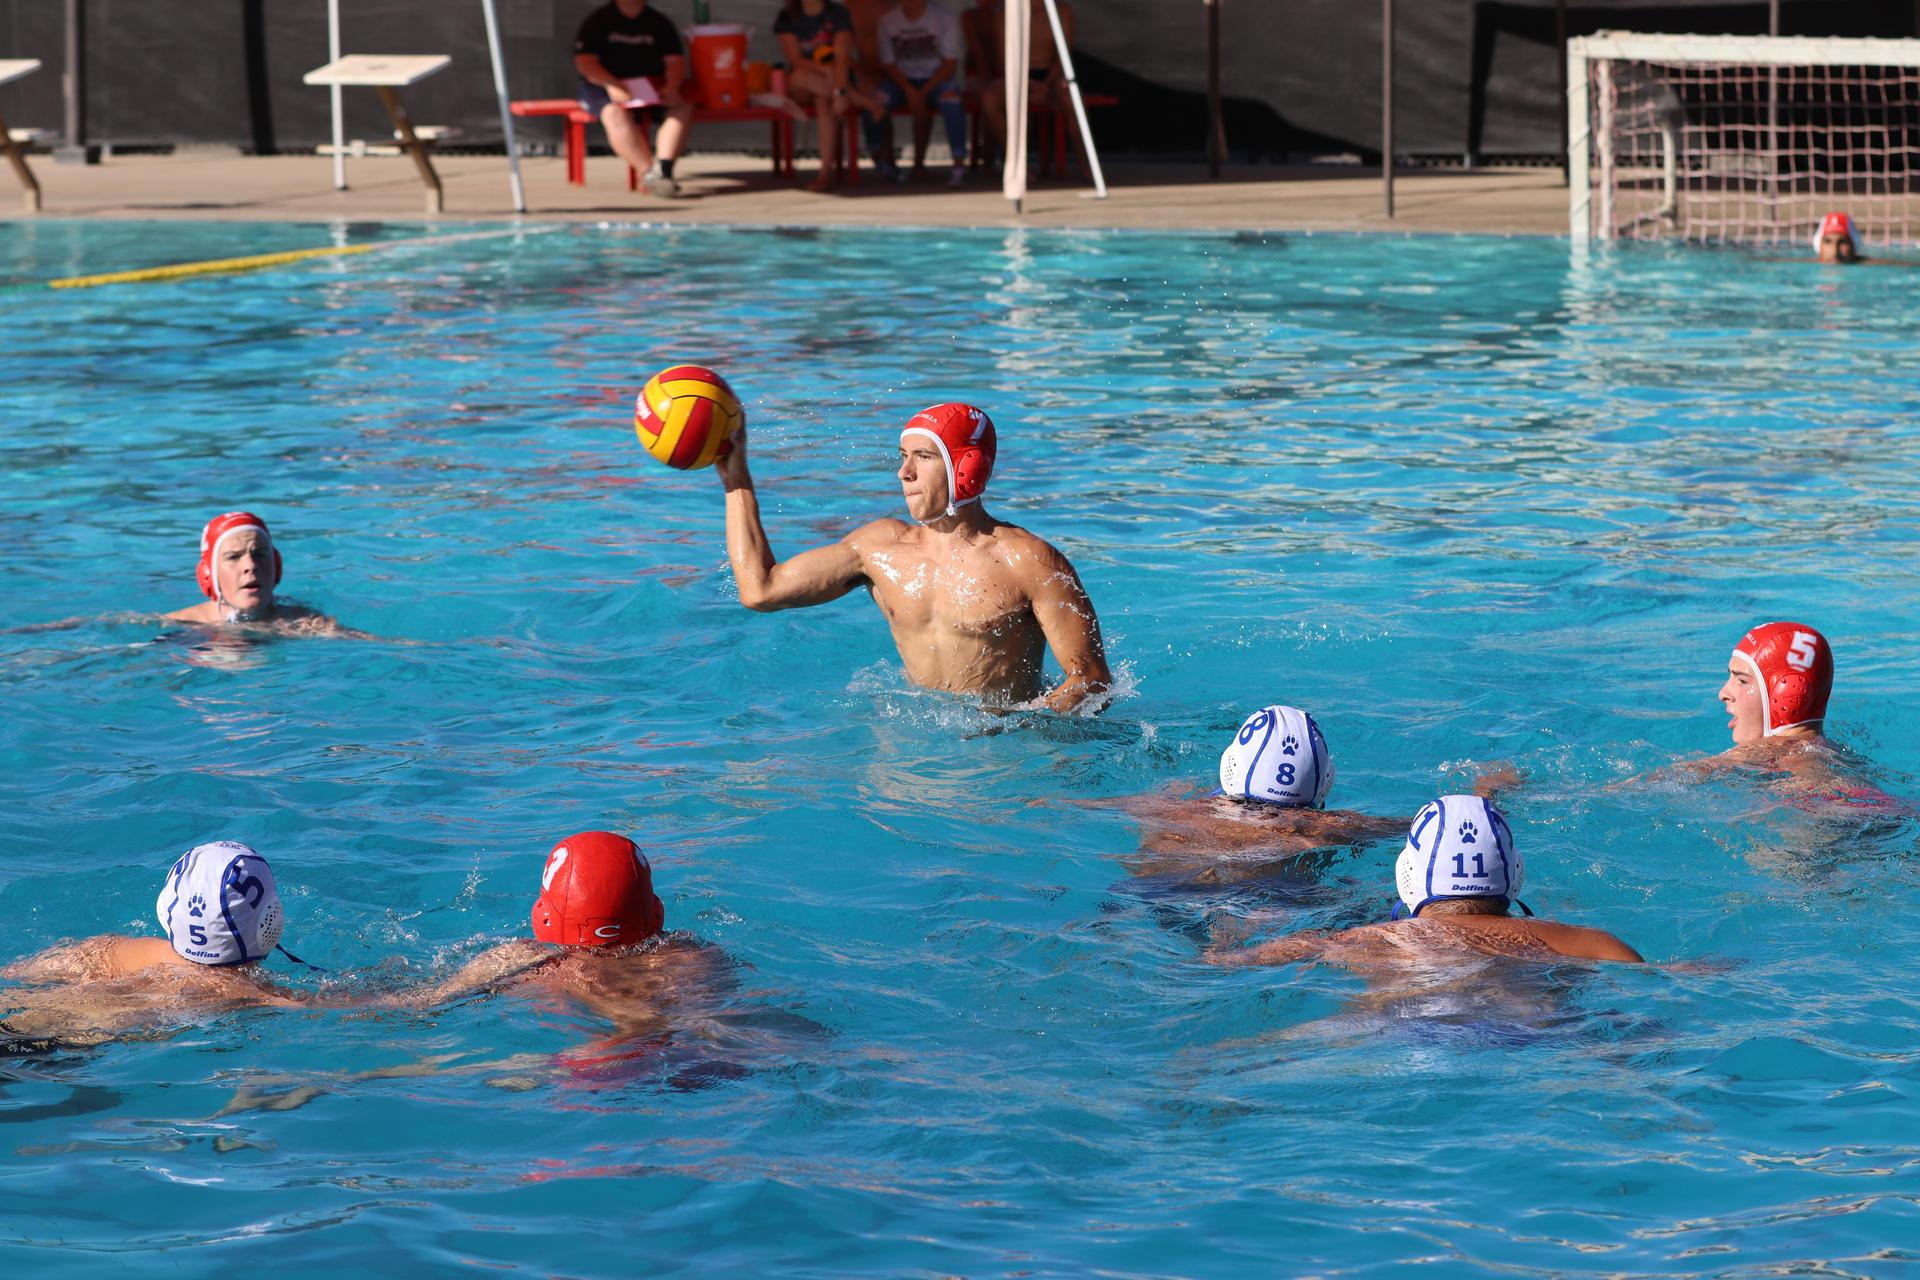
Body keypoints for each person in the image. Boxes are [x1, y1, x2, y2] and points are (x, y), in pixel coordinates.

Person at [716, 402, 1112, 712]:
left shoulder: (1028, 560)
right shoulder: (877, 549)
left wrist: (1015, 728)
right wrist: (735, 476)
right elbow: (760, 590)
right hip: (910, 765)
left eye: (923, 456)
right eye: (902, 456)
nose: (904, 472)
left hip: (1006, 761)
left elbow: (1091, 681)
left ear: (966, 468)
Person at [1207, 795, 1645, 969]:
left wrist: (1228, 934)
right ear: (1515, 873)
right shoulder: (1592, 946)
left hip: (1407, 1035)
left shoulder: (1361, 941)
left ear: (1408, 875)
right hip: (1533, 1040)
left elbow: (1221, 966)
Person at [399, 832, 724, 1035]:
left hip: (586, 1070)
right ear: (655, 912)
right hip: (684, 1051)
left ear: (544, 915)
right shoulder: (691, 953)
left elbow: (424, 1003)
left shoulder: (529, 960)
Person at [1, 841, 314, 1048]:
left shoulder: (114, 950)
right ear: (269, 921)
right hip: (44, 1049)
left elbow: (14, 973)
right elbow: (343, 1006)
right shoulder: (247, 994)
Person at [573, 0, 695, 199]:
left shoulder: (658, 21)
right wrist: (612, 84)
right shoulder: (599, 20)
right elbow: (585, 62)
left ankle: (663, 168)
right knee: (614, 113)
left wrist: (671, 87)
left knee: (682, 106)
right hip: (605, 86)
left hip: (652, 86)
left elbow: (675, 61)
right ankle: (648, 173)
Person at [163, 511, 354, 634]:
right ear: (209, 574)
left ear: (276, 565)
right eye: (234, 557)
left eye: (259, 554)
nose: (250, 565)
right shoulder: (182, 625)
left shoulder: (303, 622)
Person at [775, 0, 884, 192]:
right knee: (799, 77)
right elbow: (795, 59)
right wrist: (826, 72)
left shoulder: (838, 13)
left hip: (835, 83)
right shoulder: (788, 16)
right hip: (805, 82)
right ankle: (864, 102)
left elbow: (842, 56)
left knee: (823, 102)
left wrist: (839, 91)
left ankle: (825, 173)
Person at [862, 0, 970, 186]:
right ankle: (881, 160)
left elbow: (950, 64)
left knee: (952, 100)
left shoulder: (943, 18)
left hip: (937, 80)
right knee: (874, 102)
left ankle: (958, 164)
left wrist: (923, 91)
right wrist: (909, 89)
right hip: (901, 81)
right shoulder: (888, 20)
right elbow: (888, 64)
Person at [982, 0, 1074, 164]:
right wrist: (1029, 84)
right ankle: (1015, 162)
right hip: (1017, 75)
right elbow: (1003, 61)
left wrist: (1045, 84)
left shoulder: (1061, 11)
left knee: (1073, 98)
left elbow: (1064, 54)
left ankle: (1087, 166)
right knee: (990, 97)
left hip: (1050, 76)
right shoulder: (1004, 14)